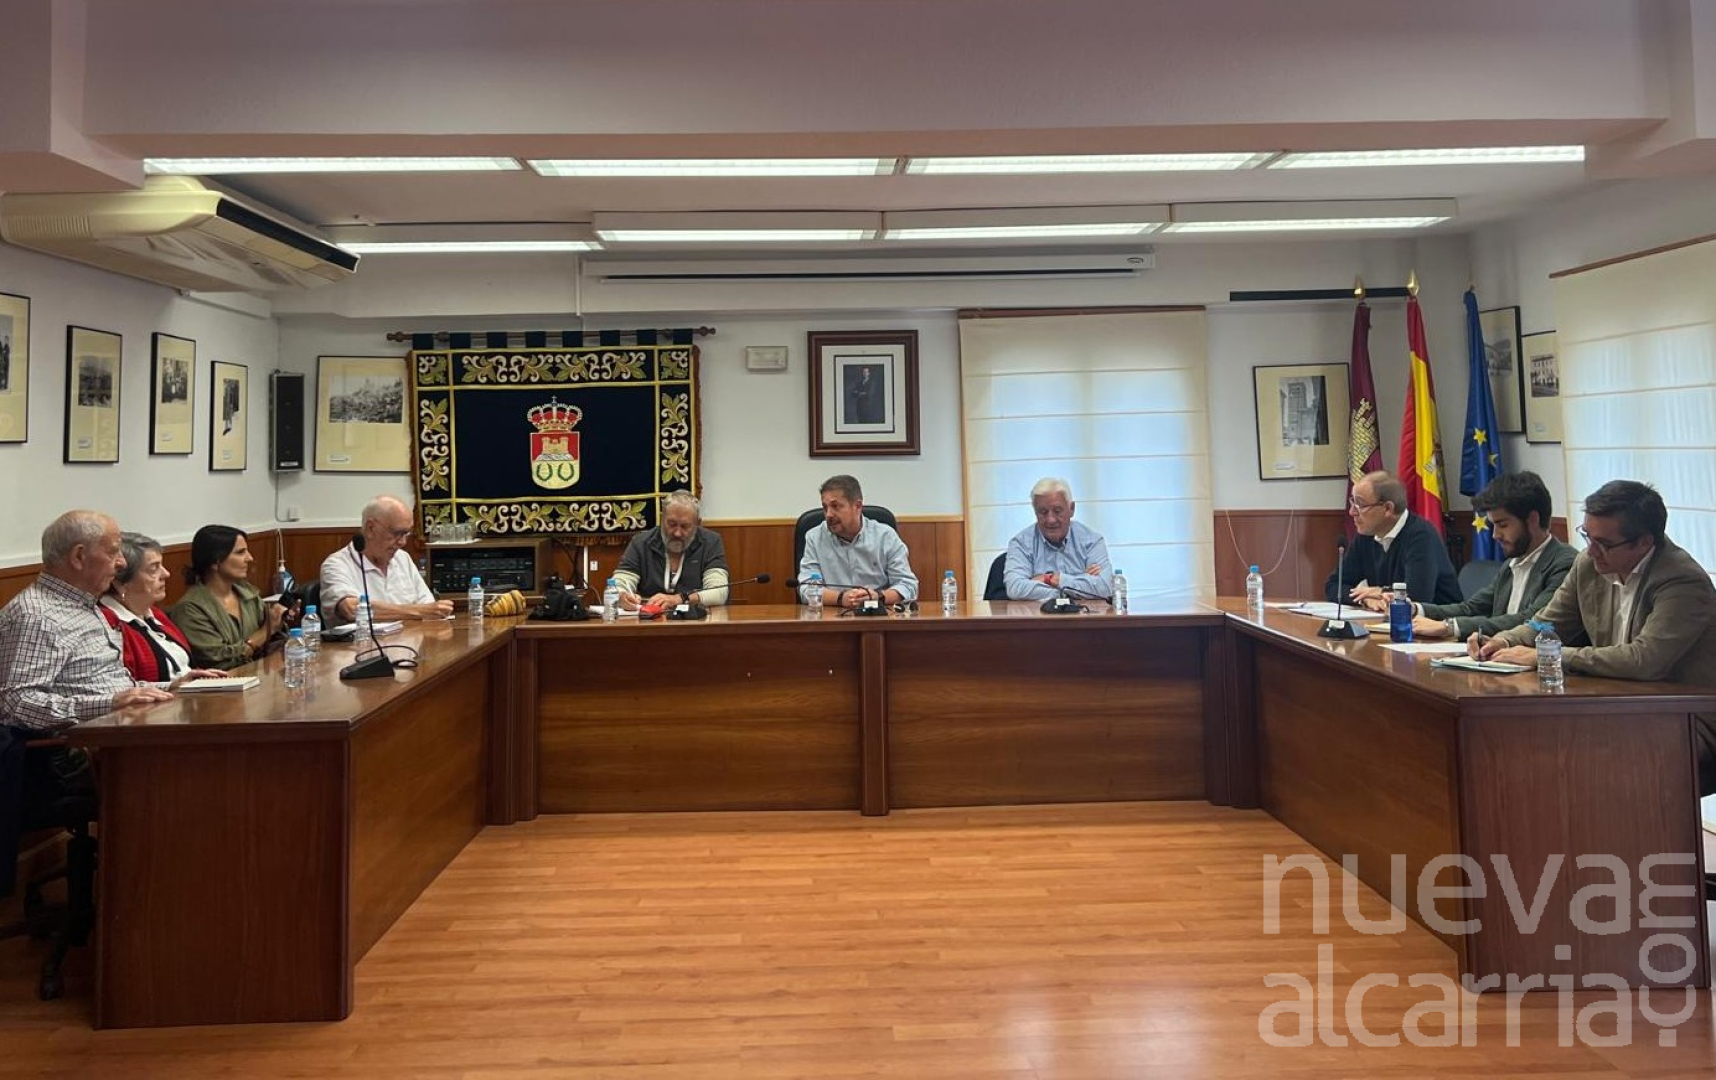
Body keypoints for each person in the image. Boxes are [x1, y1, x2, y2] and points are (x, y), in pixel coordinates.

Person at [1476, 480, 1716, 794]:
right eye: (1587, 536)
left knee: (1586, 759)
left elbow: (1644, 660)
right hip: (1617, 705)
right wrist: (1506, 640)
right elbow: (1546, 624)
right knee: (1533, 744)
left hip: (1686, 716)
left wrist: (1548, 656)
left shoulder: (1681, 580)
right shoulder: (1588, 564)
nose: (1590, 550)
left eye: (1603, 543)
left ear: (1644, 542)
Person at [0, 511, 218, 732]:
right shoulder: (37, 616)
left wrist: (171, 686)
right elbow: (15, 704)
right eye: (113, 552)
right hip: (80, 743)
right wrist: (108, 704)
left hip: (119, 729)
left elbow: (111, 687)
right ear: (79, 557)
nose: (122, 563)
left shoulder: (85, 603)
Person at [1409, 471, 1576, 640]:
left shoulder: (1565, 563)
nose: (1495, 535)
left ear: (1532, 519)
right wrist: (1415, 609)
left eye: (1502, 525)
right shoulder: (1511, 564)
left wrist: (1449, 627)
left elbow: (1531, 622)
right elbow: (1471, 608)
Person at [1324, 470, 1461, 608]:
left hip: (1436, 619)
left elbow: (1417, 596)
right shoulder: (1366, 535)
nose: (1352, 512)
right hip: (1387, 617)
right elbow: (1334, 585)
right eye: (1352, 502)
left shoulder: (1421, 535)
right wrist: (1365, 599)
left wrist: (1381, 592)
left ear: (1388, 509)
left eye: (1361, 505)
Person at [318, 495, 453, 624]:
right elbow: (352, 609)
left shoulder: (402, 558)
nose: (403, 542)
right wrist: (419, 611)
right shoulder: (336, 565)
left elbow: (430, 607)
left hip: (412, 638)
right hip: (363, 640)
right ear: (371, 528)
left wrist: (429, 611)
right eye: (397, 533)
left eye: (406, 533)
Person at [170, 525, 285, 668]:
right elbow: (220, 662)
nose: (249, 558)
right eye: (240, 552)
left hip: (259, 674)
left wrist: (281, 619)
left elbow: (273, 638)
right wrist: (265, 631)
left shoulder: (247, 593)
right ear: (215, 561)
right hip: (226, 680)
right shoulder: (190, 609)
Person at [798, 474, 918, 609]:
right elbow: (807, 588)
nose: (829, 514)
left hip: (878, 615)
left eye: (835, 506)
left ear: (858, 506)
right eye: (825, 508)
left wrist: (878, 597)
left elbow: (908, 585)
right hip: (832, 615)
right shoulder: (814, 538)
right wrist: (841, 598)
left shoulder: (885, 536)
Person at [99, 532, 197, 683]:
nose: (166, 574)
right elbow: (123, 687)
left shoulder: (155, 614)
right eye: (154, 569)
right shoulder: (109, 624)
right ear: (121, 583)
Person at [613, 491, 731, 610]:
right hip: (650, 616)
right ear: (661, 518)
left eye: (685, 526)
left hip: (696, 617)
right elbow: (618, 583)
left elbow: (719, 592)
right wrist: (622, 596)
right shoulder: (641, 542)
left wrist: (680, 599)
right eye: (671, 524)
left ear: (697, 523)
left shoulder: (710, 542)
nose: (677, 533)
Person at [1003, 477, 1113, 601]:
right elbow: (1015, 589)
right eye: (1043, 512)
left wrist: (1051, 579)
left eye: (1057, 511)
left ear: (1071, 509)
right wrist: (1080, 586)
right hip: (1038, 614)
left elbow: (1105, 588)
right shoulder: (1021, 543)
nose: (1051, 519)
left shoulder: (1092, 541)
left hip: (1085, 614)